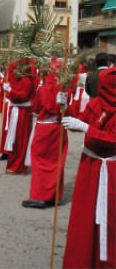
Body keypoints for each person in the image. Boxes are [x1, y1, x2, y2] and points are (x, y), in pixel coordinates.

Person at [62, 67, 116, 268]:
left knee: (106, 218)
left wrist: (87, 129)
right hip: (89, 165)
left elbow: (112, 139)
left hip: (108, 171)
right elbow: (78, 121)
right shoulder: (97, 102)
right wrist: (64, 107)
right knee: (84, 217)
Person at [22, 71, 69, 208]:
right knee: (57, 161)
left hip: (44, 128)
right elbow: (68, 109)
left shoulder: (42, 89)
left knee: (40, 161)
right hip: (59, 127)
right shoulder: (65, 90)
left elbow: (36, 107)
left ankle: (39, 196)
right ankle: (55, 195)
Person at [3, 59, 35, 174]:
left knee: (21, 140)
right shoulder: (19, 79)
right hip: (16, 111)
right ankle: (13, 163)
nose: (14, 71)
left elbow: (23, 96)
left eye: (16, 69)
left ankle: (19, 166)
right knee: (15, 139)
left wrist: (10, 90)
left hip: (23, 113)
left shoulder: (26, 81)